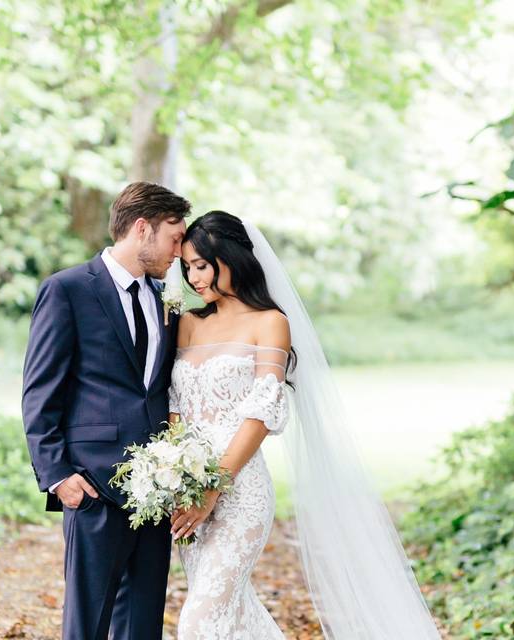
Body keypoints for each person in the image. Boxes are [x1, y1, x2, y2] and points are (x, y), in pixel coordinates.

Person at [168, 211, 442, 639]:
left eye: (201, 265)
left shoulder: (270, 323)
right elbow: (176, 408)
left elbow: (262, 412)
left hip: (239, 494)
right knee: (234, 616)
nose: (193, 277)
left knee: (198, 620)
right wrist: (176, 476)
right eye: (187, 267)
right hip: (190, 493)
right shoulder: (189, 322)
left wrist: (213, 487)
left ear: (233, 258)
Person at [21, 181, 190, 640]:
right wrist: (58, 475)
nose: (180, 250)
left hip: (156, 488)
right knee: (88, 624)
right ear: (142, 229)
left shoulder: (166, 301)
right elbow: (40, 392)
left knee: (143, 623)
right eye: (175, 237)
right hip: (92, 486)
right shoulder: (68, 290)